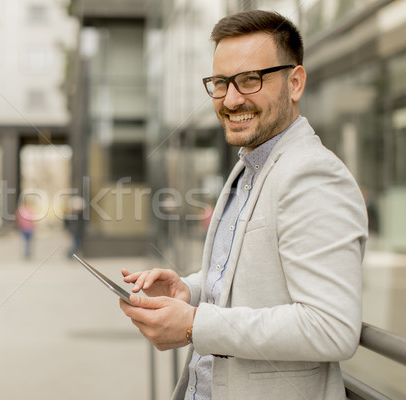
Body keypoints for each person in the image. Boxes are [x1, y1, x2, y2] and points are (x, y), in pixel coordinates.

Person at [119, 10, 368, 400]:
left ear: (295, 83)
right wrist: (190, 290)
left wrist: (194, 325)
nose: (232, 99)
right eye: (221, 82)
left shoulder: (313, 176)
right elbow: (252, 275)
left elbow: (331, 327)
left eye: (250, 79)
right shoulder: (250, 167)